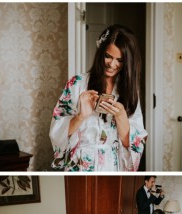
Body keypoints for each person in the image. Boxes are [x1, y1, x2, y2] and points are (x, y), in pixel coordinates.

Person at [50, 24, 147, 171]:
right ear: (100, 52)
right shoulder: (77, 83)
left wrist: (121, 116)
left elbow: (133, 145)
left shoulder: (129, 92)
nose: (112, 64)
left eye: (120, 60)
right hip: (79, 165)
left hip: (111, 167)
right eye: (108, 56)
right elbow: (56, 133)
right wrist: (80, 117)